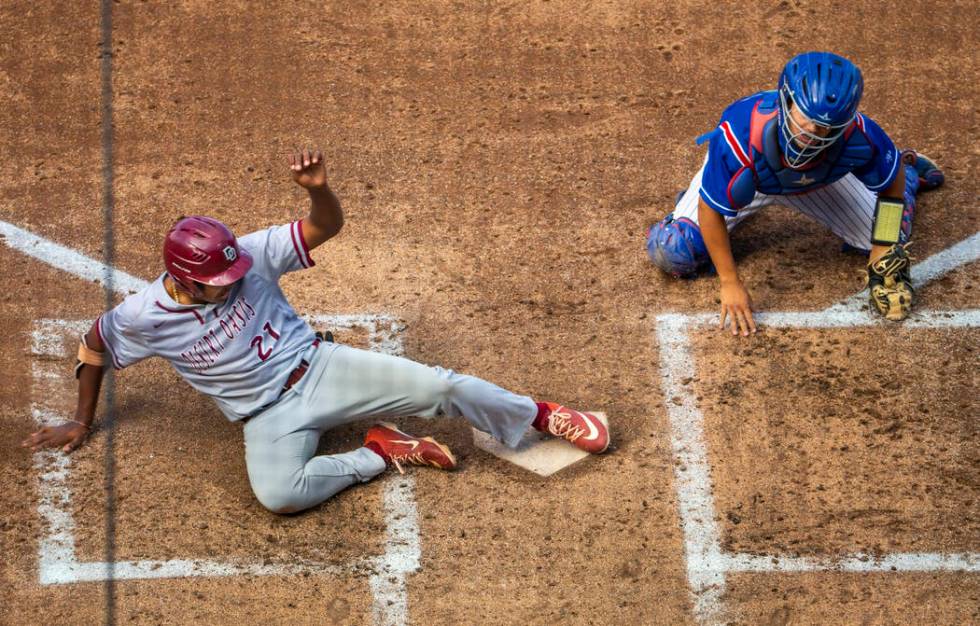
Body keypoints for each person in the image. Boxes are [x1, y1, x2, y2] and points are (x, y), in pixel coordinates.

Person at [22, 148, 610, 514]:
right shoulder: (143, 316)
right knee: (280, 497)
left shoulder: (250, 253)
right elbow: (95, 343)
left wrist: (318, 191)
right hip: (266, 417)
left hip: (322, 370)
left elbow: (324, 226)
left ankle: (536, 414)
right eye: (221, 278)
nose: (236, 278)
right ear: (184, 279)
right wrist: (82, 417)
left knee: (442, 386)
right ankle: (379, 452)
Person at [645, 51, 945, 333]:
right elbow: (710, 212)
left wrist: (883, 243)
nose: (811, 132)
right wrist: (730, 281)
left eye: (825, 127)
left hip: (819, 184)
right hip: (753, 178)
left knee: (888, 236)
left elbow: (888, 186)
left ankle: (912, 175)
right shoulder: (739, 133)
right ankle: (712, 188)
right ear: (786, 100)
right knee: (672, 250)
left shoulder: (861, 136)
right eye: (805, 118)